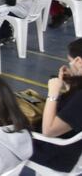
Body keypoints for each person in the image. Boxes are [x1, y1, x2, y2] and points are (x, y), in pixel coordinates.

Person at [30, 38, 82, 172]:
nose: (69, 65)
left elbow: (49, 131)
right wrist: (71, 85)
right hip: (69, 149)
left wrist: (53, 93)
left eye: (70, 61)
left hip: (53, 153)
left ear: (78, 61)